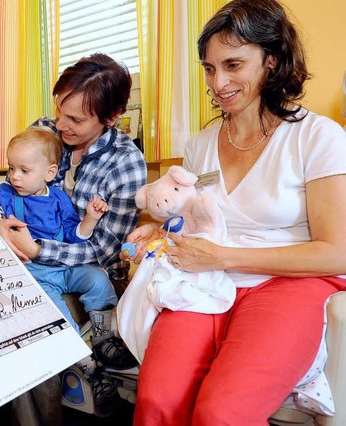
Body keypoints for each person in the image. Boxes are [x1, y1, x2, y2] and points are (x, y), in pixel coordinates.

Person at [122, 1, 346, 424]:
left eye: (233, 64)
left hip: (289, 283)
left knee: (221, 413)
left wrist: (224, 257)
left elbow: (338, 252)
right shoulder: (199, 146)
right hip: (206, 283)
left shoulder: (317, 137)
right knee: (155, 405)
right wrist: (155, 230)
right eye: (209, 68)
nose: (218, 82)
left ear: (272, 61)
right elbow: (191, 213)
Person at [0, 127, 136, 409]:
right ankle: (88, 365)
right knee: (57, 315)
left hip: (63, 266)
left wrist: (90, 218)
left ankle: (104, 338)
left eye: (24, 170)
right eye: (11, 168)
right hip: (36, 276)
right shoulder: (5, 194)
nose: (14, 176)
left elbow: (74, 235)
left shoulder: (59, 198)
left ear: (49, 172)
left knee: (97, 277)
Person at [0, 53, 147, 422]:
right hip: (31, 267)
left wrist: (40, 250)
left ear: (111, 117)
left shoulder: (126, 163)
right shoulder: (44, 131)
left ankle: (92, 357)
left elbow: (105, 251)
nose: (60, 125)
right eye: (59, 111)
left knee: (38, 323)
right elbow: (7, 192)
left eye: (75, 119)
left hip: (87, 272)